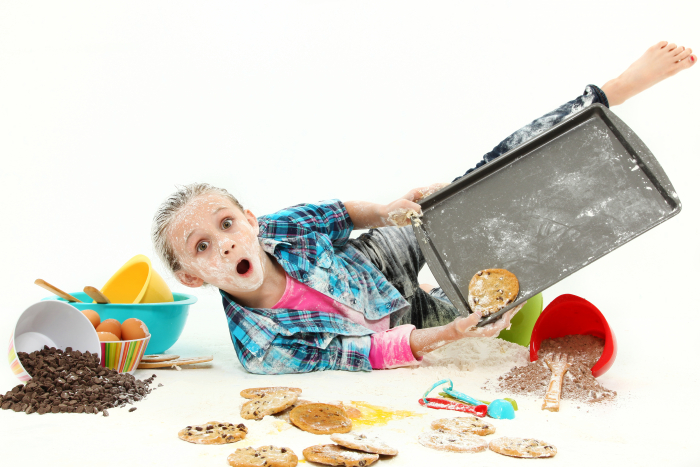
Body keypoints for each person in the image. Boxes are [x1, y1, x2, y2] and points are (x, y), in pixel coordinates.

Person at [152, 42, 695, 374]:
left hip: (373, 263)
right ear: (193, 276)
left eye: (226, 224)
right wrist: (449, 334)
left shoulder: (278, 227)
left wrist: (391, 211)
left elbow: (342, 214)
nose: (224, 242)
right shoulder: (262, 350)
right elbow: (372, 354)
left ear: (249, 221)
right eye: (203, 246)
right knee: (489, 314)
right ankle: (458, 303)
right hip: (403, 324)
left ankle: (608, 93)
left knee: (470, 190)